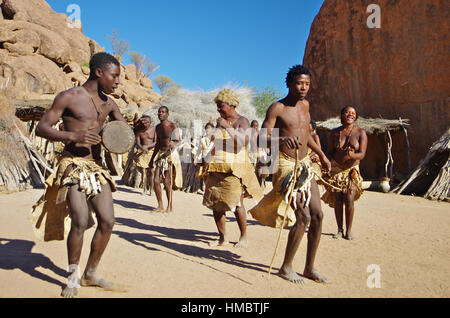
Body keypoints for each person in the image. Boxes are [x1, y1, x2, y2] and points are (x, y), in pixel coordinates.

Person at [31, 52, 150, 297]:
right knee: (80, 219)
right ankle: (72, 276)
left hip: (97, 167)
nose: (118, 82)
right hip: (73, 164)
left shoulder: (110, 104)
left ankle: (90, 273)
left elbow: (123, 136)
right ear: (99, 72)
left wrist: (136, 130)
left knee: (107, 221)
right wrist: (73, 136)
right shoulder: (69, 97)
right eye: (114, 76)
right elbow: (43, 127)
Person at [249, 65, 331, 284]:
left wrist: (322, 154)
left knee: (318, 215)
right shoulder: (277, 108)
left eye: (307, 84)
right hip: (285, 164)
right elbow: (261, 138)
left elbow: (307, 134)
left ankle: (309, 268)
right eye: (299, 83)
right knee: (302, 216)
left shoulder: (305, 105)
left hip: (305, 164)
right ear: (289, 84)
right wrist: (282, 140)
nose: (303, 88)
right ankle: (286, 267)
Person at [202, 89, 263, 247]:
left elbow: (244, 142)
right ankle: (222, 237)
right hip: (217, 166)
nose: (218, 109)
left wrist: (226, 127)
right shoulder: (219, 121)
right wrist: (207, 158)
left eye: (221, 106)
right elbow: (217, 141)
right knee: (215, 203)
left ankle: (243, 237)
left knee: (237, 203)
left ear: (230, 105)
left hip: (235, 168)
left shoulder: (242, 121)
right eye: (217, 106)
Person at [321, 105, 367, 240]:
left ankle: (349, 230)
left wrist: (353, 156)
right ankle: (340, 230)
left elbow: (362, 154)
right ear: (342, 115)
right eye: (347, 112)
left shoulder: (360, 132)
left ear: (356, 116)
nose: (350, 114)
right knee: (338, 200)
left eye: (353, 113)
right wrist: (326, 163)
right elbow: (330, 152)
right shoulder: (335, 133)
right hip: (336, 170)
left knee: (349, 198)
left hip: (351, 170)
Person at [149, 106, 183, 212]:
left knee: (167, 181)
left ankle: (170, 205)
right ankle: (160, 205)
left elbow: (178, 141)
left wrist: (172, 144)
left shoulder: (172, 125)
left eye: (163, 112)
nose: (160, 114)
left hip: (170, 155)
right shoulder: (158, 127)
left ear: (167, 114)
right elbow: (158, 144)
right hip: (161, 154)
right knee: (156, 180)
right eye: (159, 112)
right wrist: (152, 159)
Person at [134, 115, 156, 195]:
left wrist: (147, 147)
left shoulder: (154, 129)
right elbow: (138, 142)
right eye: (144, 123)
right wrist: (142, 148)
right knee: (144, 171)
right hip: (142, 152)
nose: (146, 124)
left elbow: (156, 142)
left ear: (150, 122)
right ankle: (144, 189)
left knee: (151, 171)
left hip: (151, 152)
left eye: (148, 123)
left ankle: (151, 189)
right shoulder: (139, 130)